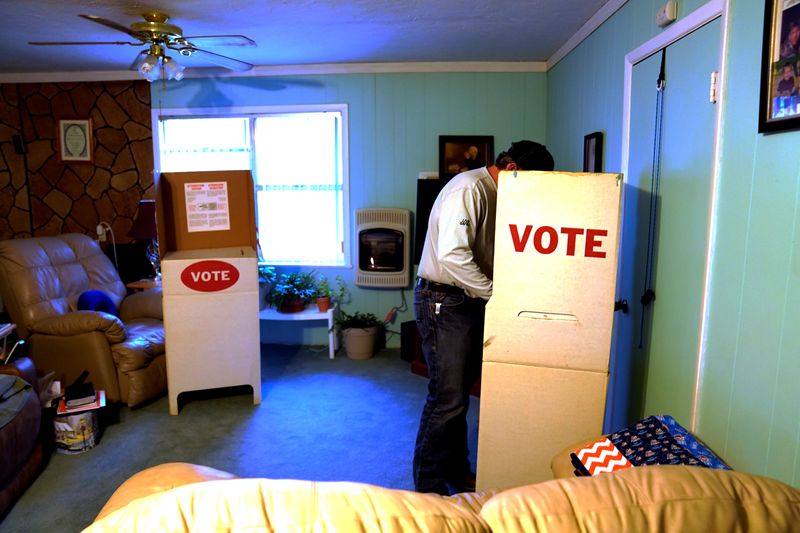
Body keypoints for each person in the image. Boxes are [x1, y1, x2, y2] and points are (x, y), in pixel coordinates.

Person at [413, 140, 555, 495]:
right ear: (511, 169)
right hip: (443, 301)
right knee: (446, 398)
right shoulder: (470, 189)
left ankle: (457, 473)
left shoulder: (495, 192)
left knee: (457, 396)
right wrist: (497, 295)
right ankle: (428, 489)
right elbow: (453, 255)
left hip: (465, 300)